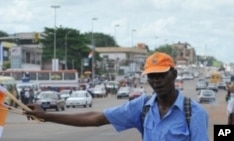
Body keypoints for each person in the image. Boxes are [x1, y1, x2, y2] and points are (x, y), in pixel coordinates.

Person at [25, 52, 209, 141]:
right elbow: (96, 118)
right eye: (152, 76)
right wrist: (46, 116)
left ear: (174, 75)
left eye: (162, 75)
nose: (157, 81)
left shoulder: (193, 113)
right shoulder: (142, 106)